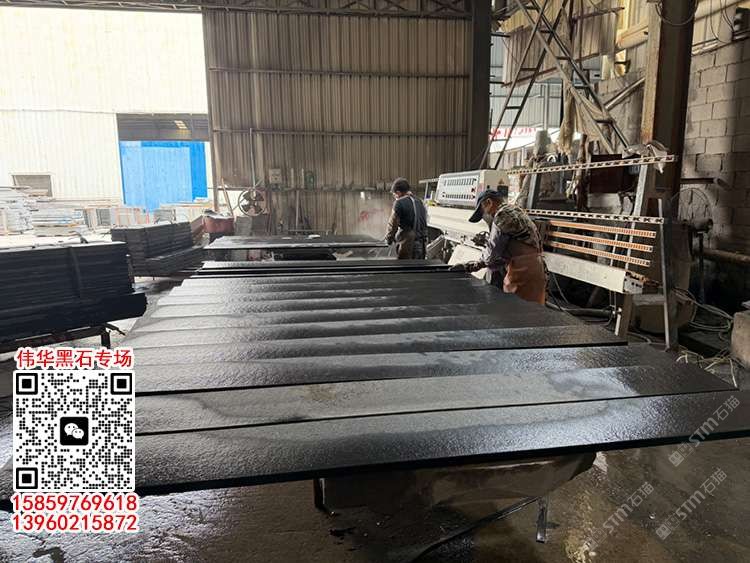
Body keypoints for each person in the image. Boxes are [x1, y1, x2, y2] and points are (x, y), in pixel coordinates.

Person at [451, 187, 547, 304]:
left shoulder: (502, 215)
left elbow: (491, 255)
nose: (485, 216)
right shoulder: (515, 210)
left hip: (523, 273)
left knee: (517, 310)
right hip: (536, 269)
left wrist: (468, 267)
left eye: (483, 212)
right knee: (534, 311)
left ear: (489, 202)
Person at [384, 178, 428, 259]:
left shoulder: (399, 203)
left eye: (394, 195)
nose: (394, 197)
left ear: (398, 193)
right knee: (419, 266)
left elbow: (393, 224)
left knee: (405, 266)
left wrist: (388, 239)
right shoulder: (420, 201)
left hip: (407, 246)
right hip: (421, 246)